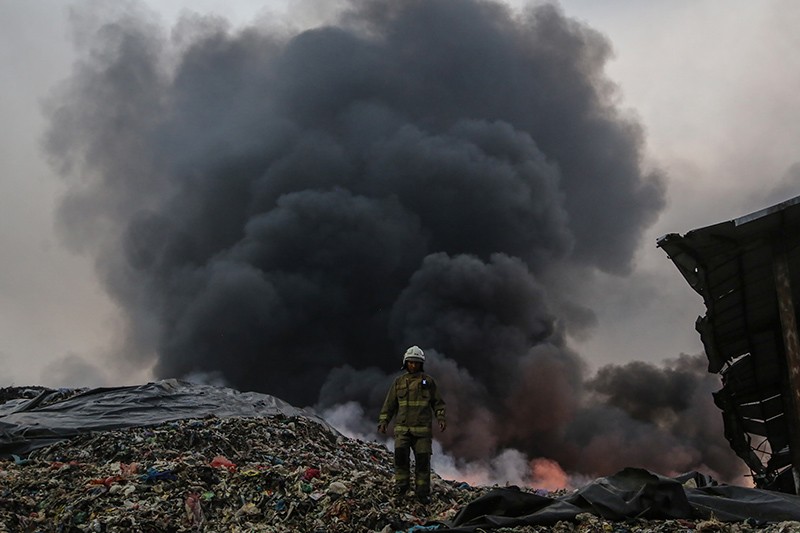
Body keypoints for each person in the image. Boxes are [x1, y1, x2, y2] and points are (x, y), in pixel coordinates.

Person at [378, 345, 446, 504]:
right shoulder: (398, 382)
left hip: (422, 432)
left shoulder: (428, 382)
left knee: (422, 462)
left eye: (416, 363)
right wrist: (383, 421)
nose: (413, 365)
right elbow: (389, 405)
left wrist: (441, 418)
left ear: (421, 364)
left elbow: (438, 403)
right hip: (402, 430)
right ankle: (402, 489)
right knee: (401, 460)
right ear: (405, 363)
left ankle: (422, 494)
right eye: (410, 362)